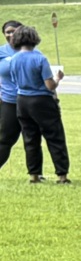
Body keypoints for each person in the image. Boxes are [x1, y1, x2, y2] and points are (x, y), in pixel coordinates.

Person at [8, 26, 70, 185]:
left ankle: (34, 174)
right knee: (54, 137)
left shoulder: (13, 59)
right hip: (42, 101)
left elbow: (15, 81)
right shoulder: (40, 58)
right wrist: (57, 79)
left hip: (22, 100)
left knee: (30, 138)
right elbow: (49, 85)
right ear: (34, 39)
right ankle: (62, 175)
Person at [0, 21, 20, 172]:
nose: (11, 34)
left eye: (14, 31)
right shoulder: (1, 52)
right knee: (6, 139)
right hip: (9, 102)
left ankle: (35, 174)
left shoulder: (31, 51)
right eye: (8, 32)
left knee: (32, 139)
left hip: (30, 101)